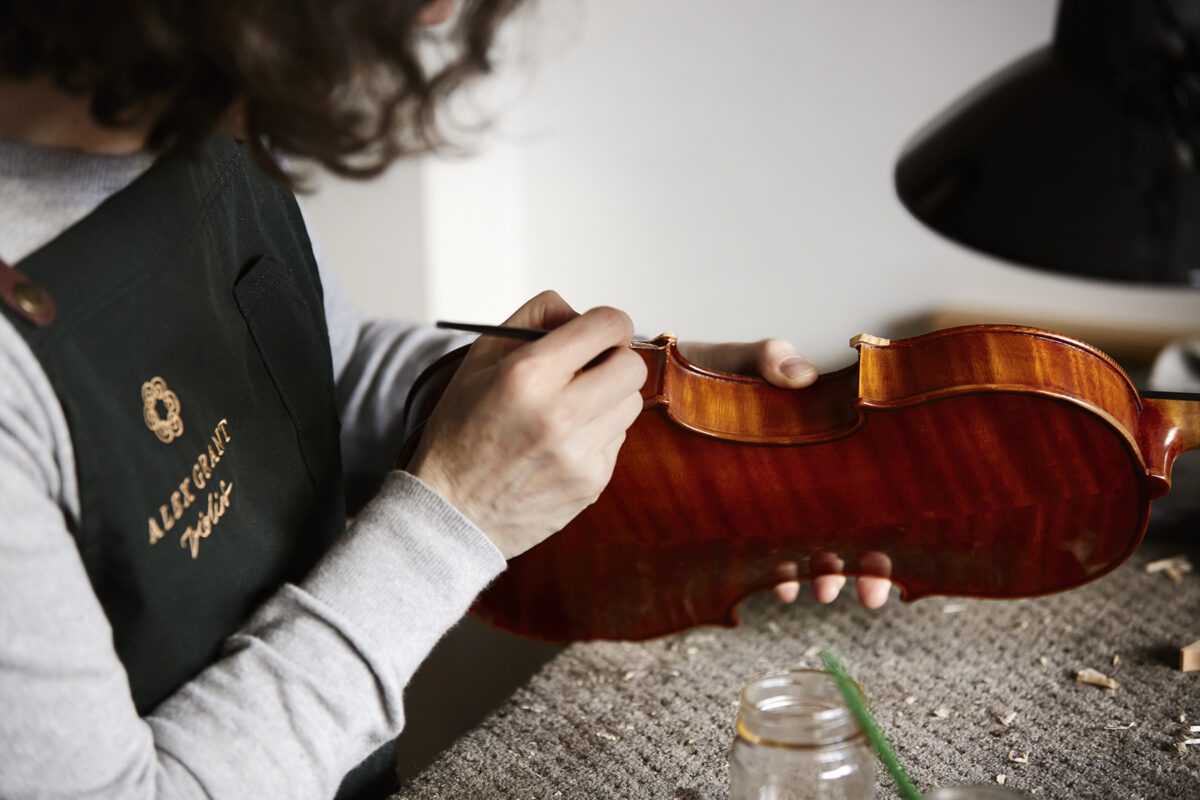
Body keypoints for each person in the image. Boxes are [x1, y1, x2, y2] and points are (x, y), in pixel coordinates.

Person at [0, 1, 889, 797]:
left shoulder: (198, 108)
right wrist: (456, 514)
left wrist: (660, 414)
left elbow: (324, 365)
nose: (437, 14)